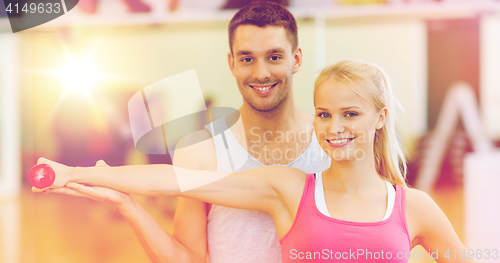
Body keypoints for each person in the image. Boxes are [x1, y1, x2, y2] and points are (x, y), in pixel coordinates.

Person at [36, 60, 474, 263]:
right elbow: (181, 180)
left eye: (350, 113)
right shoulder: (289, 188)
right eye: (324, 113)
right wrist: (75, 172)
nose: (334, 126)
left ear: (380, 118)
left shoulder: (412, 207)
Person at [44, 2, 328, 263]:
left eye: (274, 57)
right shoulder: (200, 151)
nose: (261, 72)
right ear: (232, 63)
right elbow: (187, 258)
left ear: (297, 59)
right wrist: (126, 203)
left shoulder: (332, 142)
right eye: (247, 59)